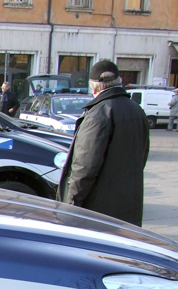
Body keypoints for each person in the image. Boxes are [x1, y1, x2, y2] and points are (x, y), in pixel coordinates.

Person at [57, 59, 150, 226]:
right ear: (119, 82)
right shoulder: (136, 110)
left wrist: (70, 206)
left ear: (93, 87)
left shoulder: (98, 115)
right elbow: (142, 154)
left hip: (98, 210)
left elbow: (84, 168)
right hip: (129, 204)